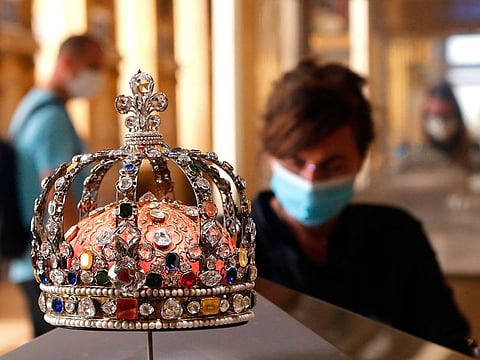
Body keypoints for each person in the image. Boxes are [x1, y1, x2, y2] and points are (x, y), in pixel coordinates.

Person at [251, 59, 476, 355]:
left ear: (360, 159)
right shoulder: (228, 245)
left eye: (333, 165)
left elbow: (446, 341)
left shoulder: (397, 236)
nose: (312, 179)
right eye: (296, 162)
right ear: (271, 158)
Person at [8, 33, 104, 337]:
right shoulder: (52, 118)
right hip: (52, 263)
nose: (98, 77)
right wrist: (78, 258)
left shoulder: (31, 105)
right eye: (93, 66)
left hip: (31, 259)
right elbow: (57, 193)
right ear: (66, 63)